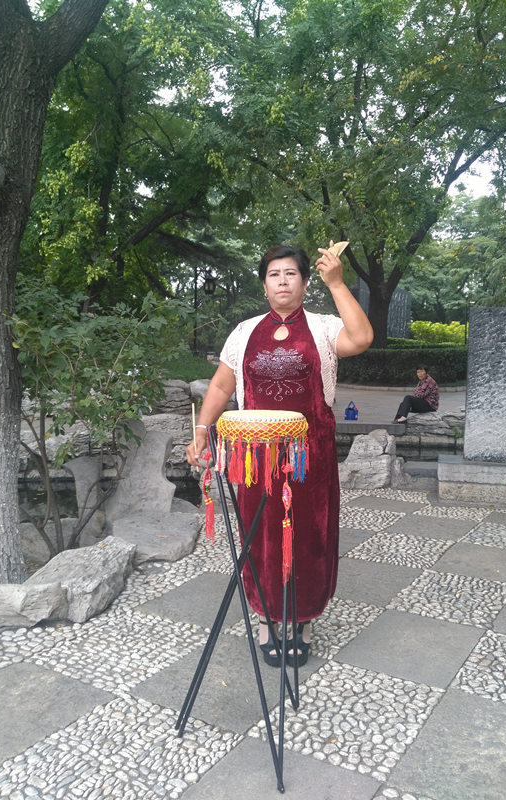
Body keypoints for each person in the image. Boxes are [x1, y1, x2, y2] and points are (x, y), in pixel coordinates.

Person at [186, 242, 373, 667]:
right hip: (256, 457)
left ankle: (304, 619)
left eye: (291, 273)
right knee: (262, 536)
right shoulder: (245, 332)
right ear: (264, 285)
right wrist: (201, 431)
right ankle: (267, 617)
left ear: (305, 283)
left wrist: (337, 283)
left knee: (309, 535)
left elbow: (362, 338)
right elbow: (221, 385)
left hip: (311, 455)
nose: (282, 281)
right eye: (274, 274)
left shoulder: (324, 327)